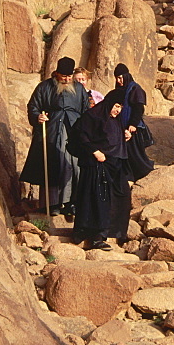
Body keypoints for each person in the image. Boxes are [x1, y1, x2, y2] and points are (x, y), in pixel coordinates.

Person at [20, 56, 89, 218]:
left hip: (74, 132)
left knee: (74, 165)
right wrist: (38, 117)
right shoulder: (44, 87)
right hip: (51, 133)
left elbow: (86, 111)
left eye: (69, 76)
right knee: (53, 165)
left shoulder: (79, 89)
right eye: (63, 76)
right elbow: (33, 106)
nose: (66, 79)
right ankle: (52, 204)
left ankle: (72, 202)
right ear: (57, 74)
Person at [72, 88, 132, 250]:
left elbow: (111, 139)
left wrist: (123, 135)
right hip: (95, 166)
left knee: (120, 197)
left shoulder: (115, 120)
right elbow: (80, 134)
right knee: (98, 201)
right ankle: (95, 236)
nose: (117, 110)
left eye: (121, 108)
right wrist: (95, 151)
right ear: (109, 103)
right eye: (116, 106)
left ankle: (113, 233)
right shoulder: (93, 116)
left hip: (114, 166)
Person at [114, 63, 155, 181]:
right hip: (122, 129)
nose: (118, 80)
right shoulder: (121, 89)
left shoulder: (135, 89)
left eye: (121, 77)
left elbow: (138, 108)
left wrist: (133, 124)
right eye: (117, 78)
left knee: (136, 155)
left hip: (132, 128)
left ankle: (146, 174)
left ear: (126, 76)